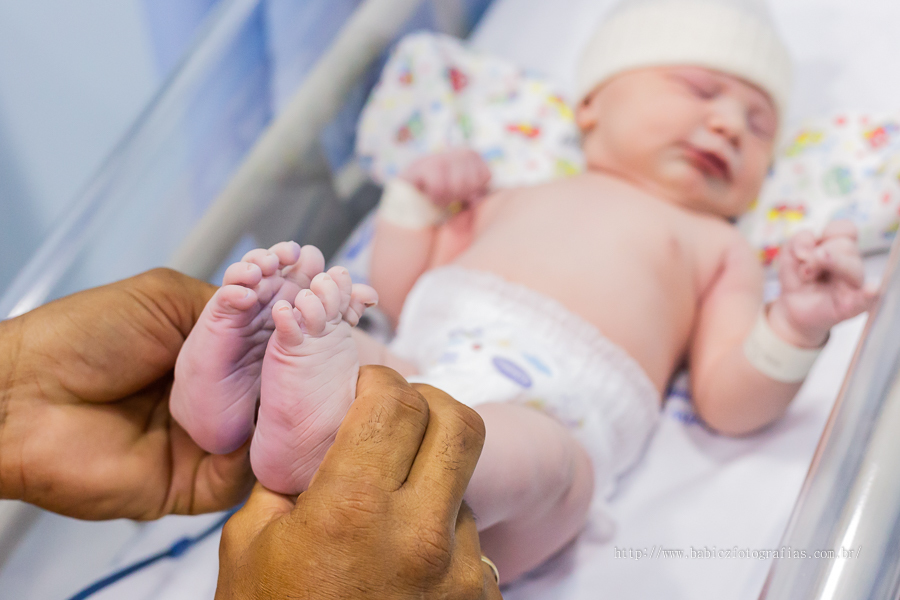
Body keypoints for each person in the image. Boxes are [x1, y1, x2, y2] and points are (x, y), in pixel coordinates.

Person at [167, 0, 877, 584]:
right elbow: (401, 290)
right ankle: (249, 388)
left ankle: (357, 454)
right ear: (591, 107)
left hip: (557, 408)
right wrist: (415, 201)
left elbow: (729, 399)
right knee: (353, 342)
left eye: (758, 127)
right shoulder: (517, 187)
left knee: (542, 464)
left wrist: (794, 326)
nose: (728, 125)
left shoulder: (720, 247)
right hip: (424, 351)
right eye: (699, 90)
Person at [0, 268, 501, 598]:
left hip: (520, 391)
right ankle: (291, 377)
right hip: (416, 360)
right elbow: (400, 282)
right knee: (397, 391)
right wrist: (418, 198)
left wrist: (14, 386)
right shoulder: (500, 183)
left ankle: (275, 387)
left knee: (521, 448)